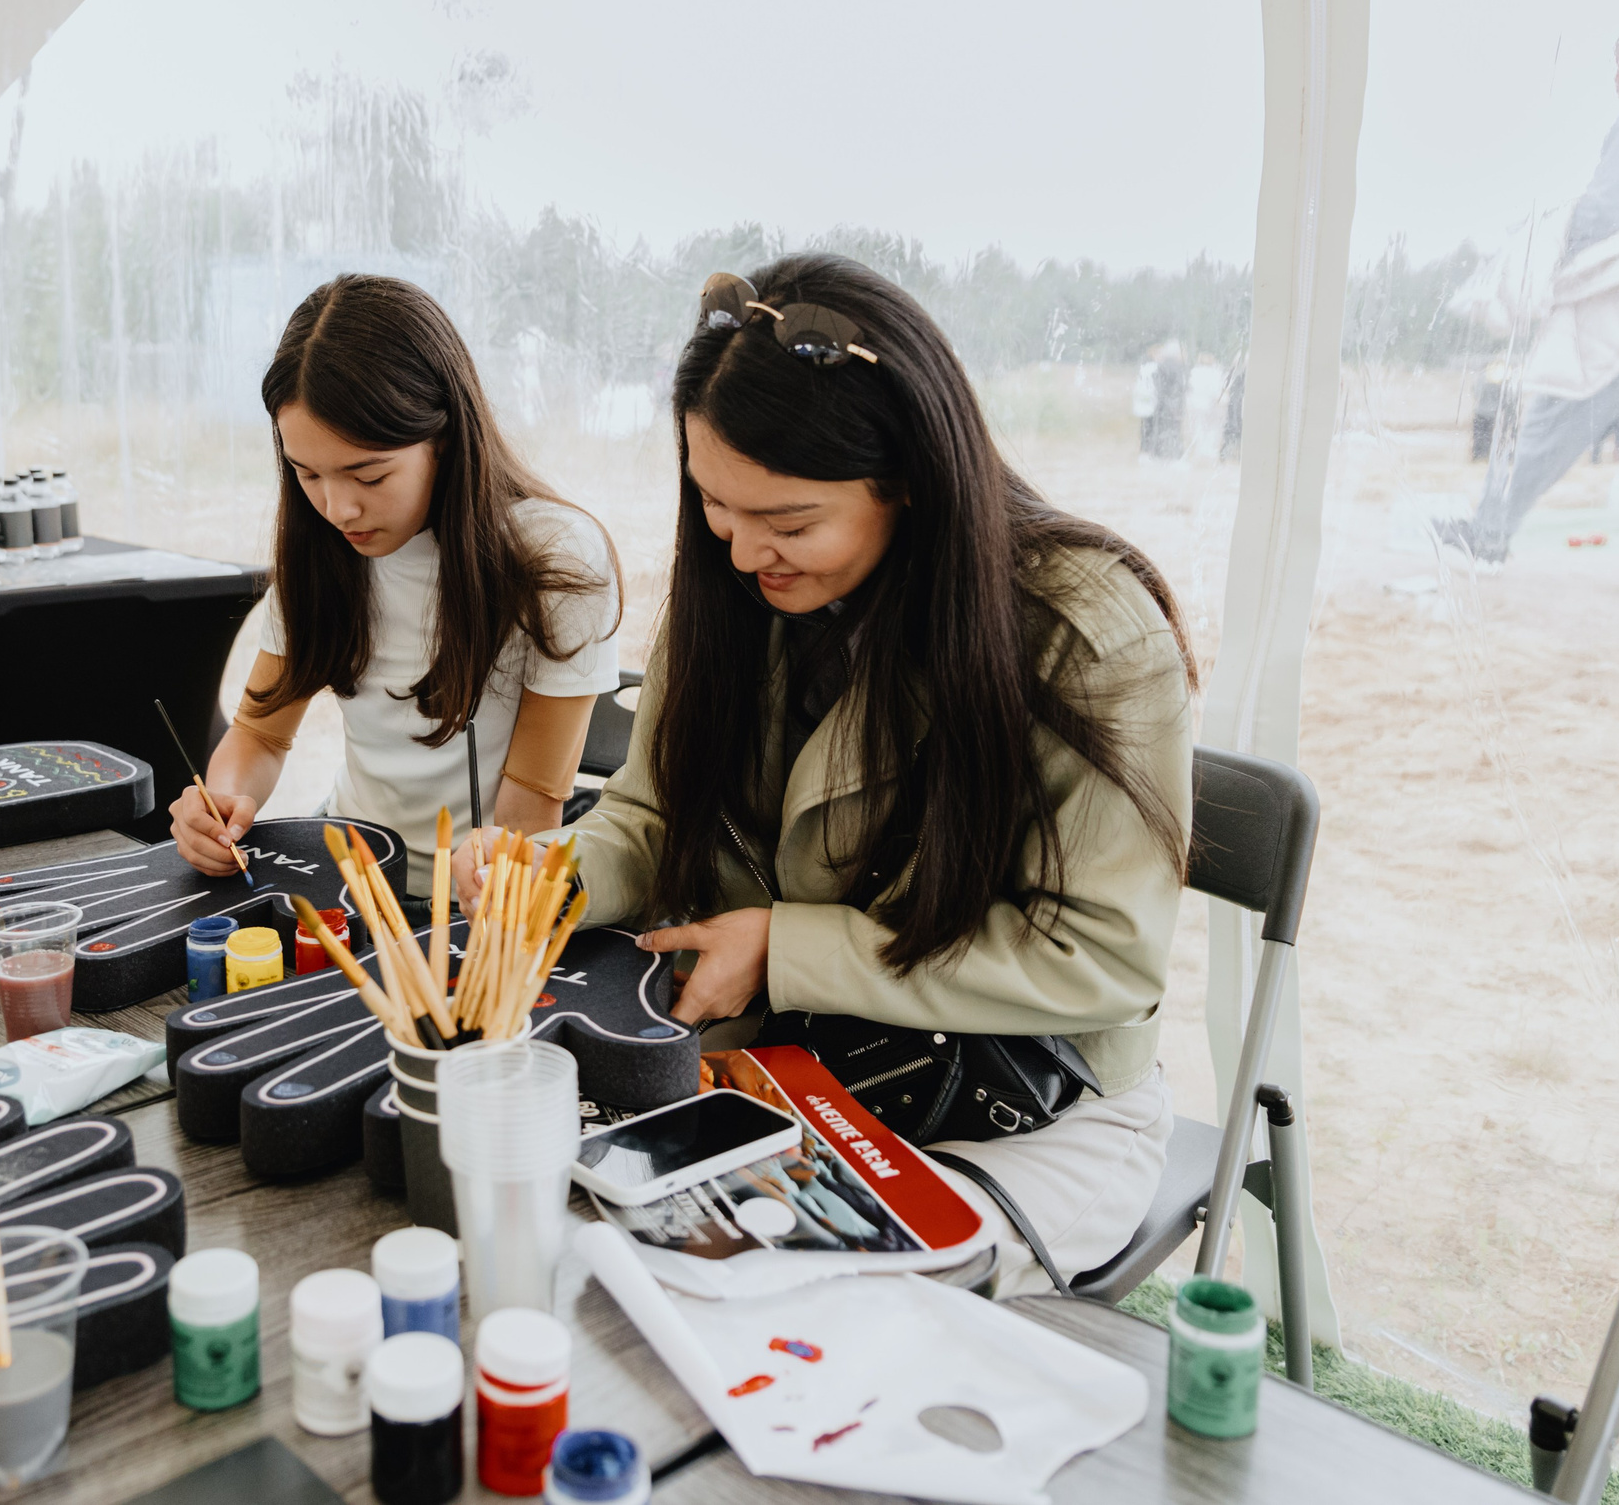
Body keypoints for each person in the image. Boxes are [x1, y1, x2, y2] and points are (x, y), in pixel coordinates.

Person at [466, 254, 1196, 1290]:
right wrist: (550, 873)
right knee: (577, 1231)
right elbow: (649, 818)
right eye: (715, 507)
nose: (742, 553)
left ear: (908, 480)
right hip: (789, 1067)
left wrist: (787, 949)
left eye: (790, 522)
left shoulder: (1080, 636)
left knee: (809, 1294)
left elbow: (1101, 960)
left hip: (1021, 1112)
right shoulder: (734, 599)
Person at [172, 274, 621, 897]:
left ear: (445, 437)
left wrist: (480, 909)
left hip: (478, 893)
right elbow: (260, 735)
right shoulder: (321, 549)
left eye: (370, 475)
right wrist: (220, 803)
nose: (338, 509)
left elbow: (532, 810)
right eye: (308, 474)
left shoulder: (553, 559)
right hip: (344, 876)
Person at [1436, 19, 1619, 608]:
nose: (1615, 79)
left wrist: (1553, 242)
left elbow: (1608, 211)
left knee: (1551, 414)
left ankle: (1486, 538)